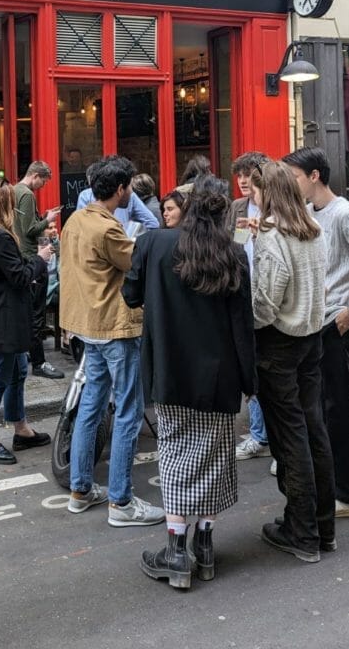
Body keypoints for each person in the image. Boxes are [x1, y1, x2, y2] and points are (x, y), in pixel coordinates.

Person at [128, 176, 255, 589]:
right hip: (220, 375)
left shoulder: (153, 243)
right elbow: (242, 326)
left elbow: (131, 295)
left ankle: (177, 551)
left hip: (169, 367)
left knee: (174, 453)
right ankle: (204, 545)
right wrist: (250, 380)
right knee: (216, 457)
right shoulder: (233, 254)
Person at [283, 146, 349, 519]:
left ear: (314, 175)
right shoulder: (311, 213)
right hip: (317, 324)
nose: (290, 183)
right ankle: (335, 490)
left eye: (294, 176)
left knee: (342, 412)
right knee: (322, 411)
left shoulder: (344, 214)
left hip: (338, 326)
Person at [60, 154, 165, 528]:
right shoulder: (108, 230)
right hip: (114, 326)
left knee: (91, 406)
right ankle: (121, 501)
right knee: (128, 411)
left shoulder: (76, 219)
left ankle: (80, 489)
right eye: (128, 189)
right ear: (120, 190)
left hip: (86, 323)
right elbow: (134, 264)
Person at [250, 161, 335, 564]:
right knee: (313, 429)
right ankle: (324, 526)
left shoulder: (272, 236)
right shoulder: (314, 230)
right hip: (311, 338)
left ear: (268, 192)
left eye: (255, 189)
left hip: (280, 343)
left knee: (291, 437)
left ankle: (301, 532)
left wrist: (247, 323)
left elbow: (266, 303)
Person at [0, 179, 55, 464]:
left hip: (1, 315)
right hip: (4, 319)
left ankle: (20, 427)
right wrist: (41, 259)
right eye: (11, 201)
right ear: (3, 204)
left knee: (18, 370)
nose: (16, 206)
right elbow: (19, 276)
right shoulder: (0, 237)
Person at [228, 151, 272, 462]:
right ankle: (260, 433)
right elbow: (233, 247)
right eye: (239, 175)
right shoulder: (237, 207)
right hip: (247, 292)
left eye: (248, 174)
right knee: (252, 363)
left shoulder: (278, 208)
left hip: (272, 293)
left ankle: (265, 434)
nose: (243, 180)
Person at [13, 161, 64, 380]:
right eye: (43, 181)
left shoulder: (14, 191)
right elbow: (29, 230)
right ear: (35, 175)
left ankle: (27, 354)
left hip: (21, 255)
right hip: (30, 256)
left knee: (27, 313)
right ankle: (39, 362)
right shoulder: (26, 194)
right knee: (36, 314)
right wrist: (48, 219)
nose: (43, 186)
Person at [76, 164, 160, 236]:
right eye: (130, 186)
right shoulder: (86, 195)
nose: (131, 190)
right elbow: (153, 224)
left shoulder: (85, 196)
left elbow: (80, 227)